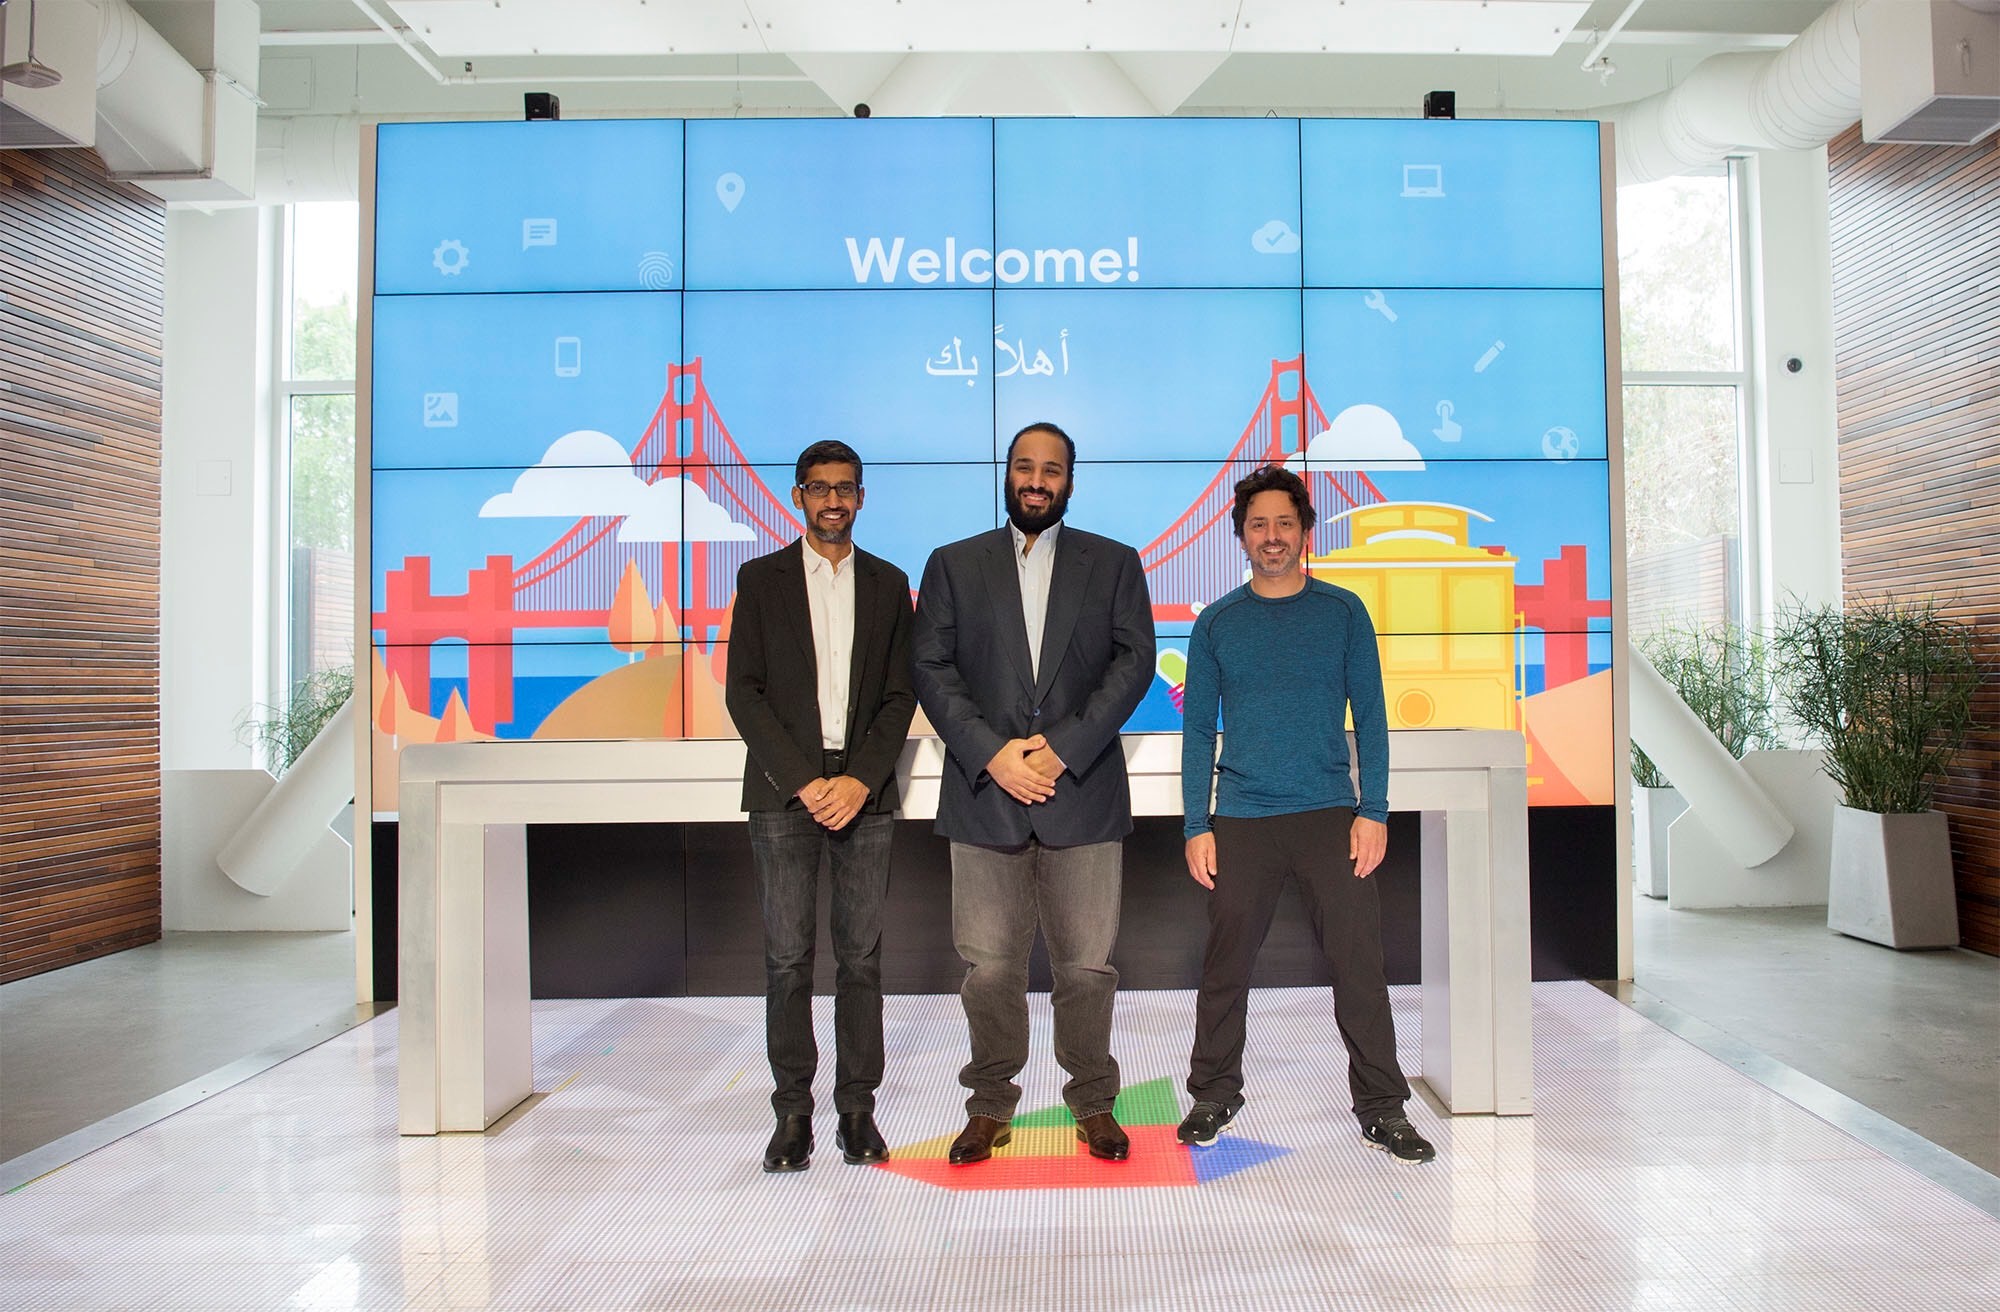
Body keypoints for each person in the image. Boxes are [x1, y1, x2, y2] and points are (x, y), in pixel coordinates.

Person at [1176, 464, 1437, 1164]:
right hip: (1242, 817)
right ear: (1240, 535)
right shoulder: (1217, 624)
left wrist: (1373, 809)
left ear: (1305, 532)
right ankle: (1213, 1094)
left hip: (1330, 814)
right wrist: (1195, 825)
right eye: (1258, 524)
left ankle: (1382, 1108)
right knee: (1226, 966)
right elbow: (1199, 731)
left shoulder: (1344, 612)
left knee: (1359, 966)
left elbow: (1373, 720)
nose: (1271, 536)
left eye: (1284, 523)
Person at [912, 422, 1155, 1164]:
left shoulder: (1114, 564)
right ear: (1007, 474)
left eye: (1052, 469)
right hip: (986, 795)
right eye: (1025, 466)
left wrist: (1063, 749)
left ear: (1070, 483)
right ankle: (989, 1106)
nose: (1037, 480)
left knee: (1087, 967)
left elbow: (1134, 662)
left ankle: (1093, 1104)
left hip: (1081, 791)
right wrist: (995, 755)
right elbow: (931, 669)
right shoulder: (953, 565)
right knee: (988, 969)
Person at [724, 440, 917, 1173]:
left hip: (863, 795)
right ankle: (792, 1117)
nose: (833, 500)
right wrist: (806, 782)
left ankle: (857, 1113)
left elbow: (902, 695)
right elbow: (744, 692)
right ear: (797, 496)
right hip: (785, 794)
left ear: (861, 498)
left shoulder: (890, 583)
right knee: (786, 961)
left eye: (846, 489)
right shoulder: (760, 580)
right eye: (819, 489)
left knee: (862, 960)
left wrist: (860, 780)